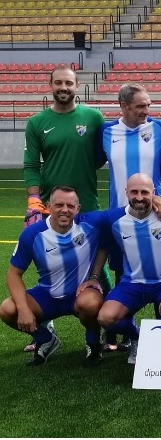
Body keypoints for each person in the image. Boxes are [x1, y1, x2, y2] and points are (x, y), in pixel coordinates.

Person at [21, 64, 105, 352]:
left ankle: (100, 329)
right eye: (58, 83)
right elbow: (31, 164)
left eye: (68, 83)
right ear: (51, 85)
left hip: (88, 205)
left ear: (76, 86)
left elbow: (99, 158)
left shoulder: (93, 117)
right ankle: (44, 328)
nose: (64, 88)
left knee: (98, 264)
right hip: (49, 208)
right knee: (45, 263)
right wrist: (34, 199)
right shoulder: (37, 122)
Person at [0, 186, 105, 366]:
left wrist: (95, 276)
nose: (65, 210)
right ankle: (46, 339)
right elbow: (13, 274)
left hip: (79, 293)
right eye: (59, 205)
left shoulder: (91, 224)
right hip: (46, 296)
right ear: (48, 206)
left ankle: (93, 344)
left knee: (91, 303)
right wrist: (23, 309)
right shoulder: (32, 234)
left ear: (78, 208)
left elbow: (125, 212)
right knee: (7, 309)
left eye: (70, 206)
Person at [95, 174, 161, 365]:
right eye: (134, 192)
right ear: (126, 193)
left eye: (145, 192)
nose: (139, 197)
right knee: (106, 318)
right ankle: (138, 337)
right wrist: (94, 276)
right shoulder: (113, 219)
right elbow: (103, 247)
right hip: (132, 284)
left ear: (154, 193)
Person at [102, 84, 161, 210]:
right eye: (140, 106)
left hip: (153, 211)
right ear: (124, 105)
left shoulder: (160, 128)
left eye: (148, 105)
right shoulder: (106, 131)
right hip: (118, 211)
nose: (146, 111)